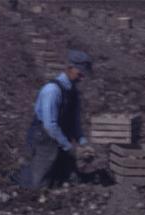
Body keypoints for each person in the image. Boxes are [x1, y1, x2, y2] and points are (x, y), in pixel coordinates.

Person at [14, 50, 94, 189]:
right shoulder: (52, 91)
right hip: (45, 138)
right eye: (79, 73)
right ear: (69, 69)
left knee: (66, 180)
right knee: (36, 185)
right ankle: (19, 176)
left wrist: (83, 143)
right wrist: (70, 147)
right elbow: (50, 126)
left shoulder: (73, 91)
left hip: (61, 137)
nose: (82, 78)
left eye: (84, 74)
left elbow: (75, 121)